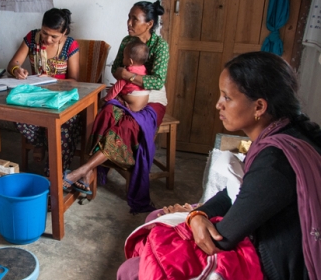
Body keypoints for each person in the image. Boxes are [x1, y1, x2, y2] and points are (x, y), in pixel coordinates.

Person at [118, 51, 321, 280]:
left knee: (134, 268)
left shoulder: (275, 161)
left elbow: (223, 238)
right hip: (258, 237)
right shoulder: (281, 134)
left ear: (259, 107)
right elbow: (240, 193)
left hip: (273, 264)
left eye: (227, 98)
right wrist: (198, 214)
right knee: (156, 218)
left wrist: (192, 218)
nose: (218, 105)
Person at [63, 0, 169, 207]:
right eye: (129, 17)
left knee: (128, 126)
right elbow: (115, 70)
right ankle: (89, 173)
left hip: (152, 98)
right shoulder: (126, 41)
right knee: (105, 113)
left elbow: (157, 81)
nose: (128, 22)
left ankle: (83, 170)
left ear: (149, 24)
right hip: (126, 94)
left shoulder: (160, 46)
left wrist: (127, 76)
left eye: (134, 19)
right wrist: (123, 77)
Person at [6, 8, 80, 177]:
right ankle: (40, 142)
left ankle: (52, 175)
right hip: (36, 96)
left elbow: (75, 81)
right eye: (45, 32)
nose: (47, 39)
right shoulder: (32, 38)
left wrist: (54, 81)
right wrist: (17, 70)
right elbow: (12, 63)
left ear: (64, 33)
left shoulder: (70, 45)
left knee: (64, 126)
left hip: (60, 98)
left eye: (54, 36)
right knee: (16, 113)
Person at [103, 38, 149, 113]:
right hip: (144, 103)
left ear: (130, 61)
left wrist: (106, 99)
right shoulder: (144, 69)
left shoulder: (127, 73)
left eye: (124, 57)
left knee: (111, 101)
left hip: (132, 105)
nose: (123, 59)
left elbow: (117, 88)